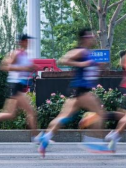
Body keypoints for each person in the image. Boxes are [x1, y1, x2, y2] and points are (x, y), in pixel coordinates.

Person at [37, 29, 110, 157]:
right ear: (84, 38)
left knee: (63, 117)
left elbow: (90, 68)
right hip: (82, 91)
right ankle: (93, 141)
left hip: (77, 91)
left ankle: (45, 138)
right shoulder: (81, 50)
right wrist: (82, 63)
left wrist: (98, 66)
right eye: (90, 36)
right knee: (101, 113)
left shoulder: (88, 53)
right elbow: (63, 59)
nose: (93, 37)